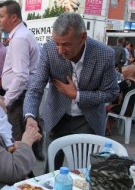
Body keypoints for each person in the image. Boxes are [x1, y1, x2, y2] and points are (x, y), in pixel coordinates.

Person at [23, 12, 119, 171]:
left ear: (82, 38)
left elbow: (111, 93)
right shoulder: (49, 50)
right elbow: (35, 88)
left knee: (87, 169)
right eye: (57, 43)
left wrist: (77, 95)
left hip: (89, 119)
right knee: (52, 167)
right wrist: (30, 116)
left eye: (66, 44)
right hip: (58, 117)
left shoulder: (104, 54)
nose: (60, 50)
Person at [0, 0, 44, 161]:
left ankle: (20, 178)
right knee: (23, 141)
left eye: (2, 16)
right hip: (22, 95)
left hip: (19, 97)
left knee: (17, 143)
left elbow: (21, 76)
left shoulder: (20, 38)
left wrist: (8, 100)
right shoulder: (22, 35)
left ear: (14, 18)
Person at [106, 65, 135, 135]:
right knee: (114, 105)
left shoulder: (128, 82)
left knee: (106, 108)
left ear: (130, 72)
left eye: (125, 72)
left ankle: (107, 129)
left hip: (127, 110)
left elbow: (114, 90)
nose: (123, 74)